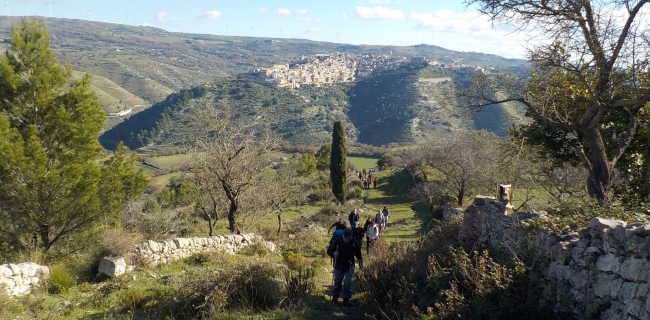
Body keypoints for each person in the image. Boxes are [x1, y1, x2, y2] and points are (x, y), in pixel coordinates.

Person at [327, 228, 363, 306]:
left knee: (348, 281)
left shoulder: (354, 242)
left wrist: (361, 266)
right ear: (343, 235)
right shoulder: (338, 240)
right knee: (337, 281)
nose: (347, 240)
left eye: (348, 238)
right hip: (339, 263)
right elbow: (329, 250)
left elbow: (359, 255)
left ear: (351, 237)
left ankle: (346, 299)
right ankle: (335, 296)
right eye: (345, 238)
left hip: (349, 264)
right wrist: (333, 254)